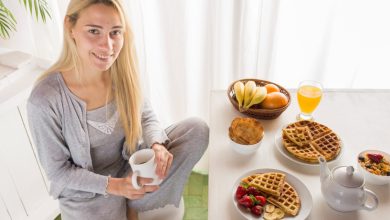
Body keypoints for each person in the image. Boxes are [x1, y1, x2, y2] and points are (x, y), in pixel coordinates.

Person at [26, 0, 209, 219]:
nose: (107, 46)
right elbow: (59, 172)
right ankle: (132, 203)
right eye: (94, 31)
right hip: (88, 195)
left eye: (115, 32)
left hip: (131, 170)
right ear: (70, 27)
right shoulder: (44, 100)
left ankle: (134, 202)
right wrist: (116, 187)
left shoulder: (121, 73)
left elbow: (146, 115)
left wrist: (157, 144)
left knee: (197, 130)